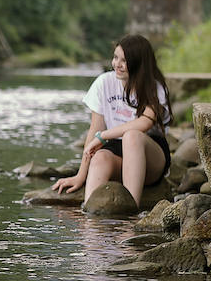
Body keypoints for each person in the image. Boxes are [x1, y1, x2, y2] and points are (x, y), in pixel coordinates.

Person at [53, 33, 174, 208]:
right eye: (116, 57)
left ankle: (130, 211)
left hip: (150, 157)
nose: (117, 64)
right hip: (117, 154)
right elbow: (95, 128)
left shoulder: (154, 87)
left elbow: (144, 123)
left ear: (139, 63)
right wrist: (81, 175)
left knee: (132, 136)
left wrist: (103, 136)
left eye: (124, 60)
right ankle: (91, 221)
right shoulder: (104, 83)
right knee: (100, 157)